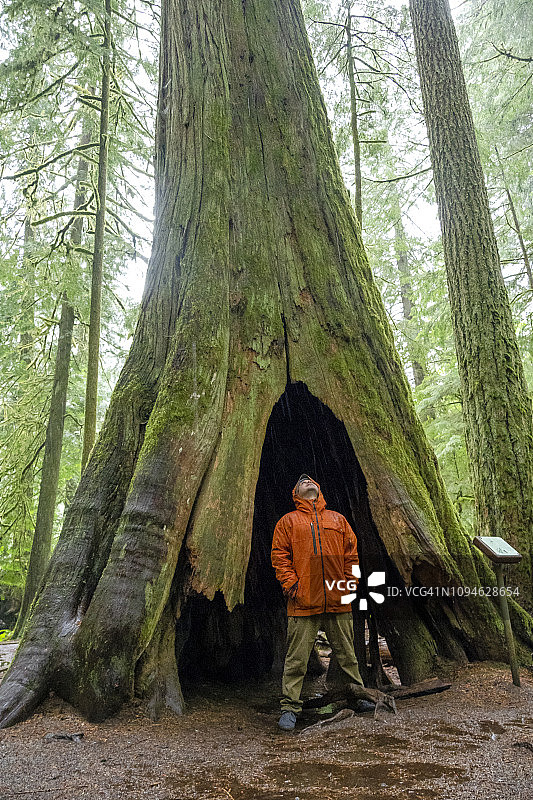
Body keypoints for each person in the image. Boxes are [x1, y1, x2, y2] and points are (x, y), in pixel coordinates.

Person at [271, 473, 365, 731]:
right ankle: (290, 708)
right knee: (297, 660)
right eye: (301, 482)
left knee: (347, 655)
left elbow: (352, 556)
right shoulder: (288, 522)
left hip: (337, 599)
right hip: (303, 602)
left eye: (310, 481)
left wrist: (351, 584)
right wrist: (293, 587)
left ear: (319, 489)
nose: (306, 481)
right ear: (296, 494)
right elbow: (280, 557)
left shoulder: (338, 520)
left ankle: (357, 697)